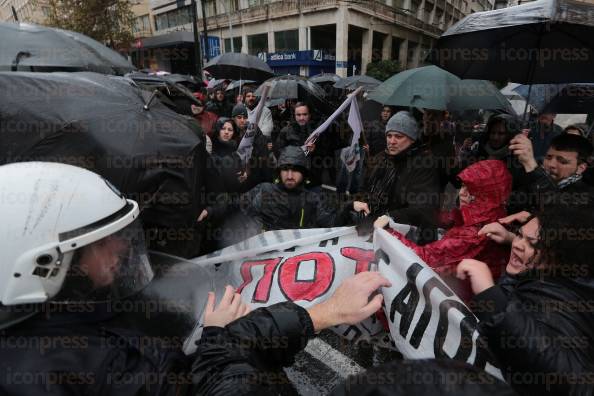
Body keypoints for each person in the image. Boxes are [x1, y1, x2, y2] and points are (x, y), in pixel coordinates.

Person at [0, 161, 397, 396]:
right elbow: (212, 384)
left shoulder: (78, 318)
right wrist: (219, 338)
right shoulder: (59, 370)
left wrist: (318, 315)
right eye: (102, 243)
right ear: (42, 265)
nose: (120, 251)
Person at [456, 207, 594, 395]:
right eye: (519, 235)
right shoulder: (541, 275)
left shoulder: (561, 303)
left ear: (560, 257)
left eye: (532, 244)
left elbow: (572, 383)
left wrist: (493, 300)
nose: (518, 245)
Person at [374, 160, 512, 301]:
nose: (462, 193)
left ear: (487, 196)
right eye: (463, 186)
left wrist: (387, 231)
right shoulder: (493, 216)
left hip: (459, 302)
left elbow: (423, 258)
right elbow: (447, 218)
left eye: (471, 190)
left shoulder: (477, 234)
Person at [198, 146, 368, 241]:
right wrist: (210, 210)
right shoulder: (263, 190)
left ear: (304, 173)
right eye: (285, 170)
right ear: (278, 172)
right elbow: (234, 204)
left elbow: (330, 223)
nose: (289, 175)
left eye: (295, 170)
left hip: (293, 258)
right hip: (262, 254)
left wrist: (349, 207)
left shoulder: (312, 199)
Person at [358, 111, 440, 238]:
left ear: (412, 139)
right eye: (389, 136)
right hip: (371, 229)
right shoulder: (381, 158)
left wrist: (391, 217)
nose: (392, 141)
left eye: (399, 136)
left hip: (404, 238)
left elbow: (424, 209)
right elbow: (365, 188)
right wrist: (360, 204)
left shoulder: (423, 165)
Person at [509, 132, 594, 211]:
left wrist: (530, 164)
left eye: (562, 161)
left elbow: (555, 208)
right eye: (548, 157)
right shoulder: (532, 179)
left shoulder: (585, 196)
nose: (551, 164)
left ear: (581, 168)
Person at [275, 102, 349, 189]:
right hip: (292, 177)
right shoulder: (286, 131)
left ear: (309, 115)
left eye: (304, 114)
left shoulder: (318, 132)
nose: (301, 118)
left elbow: (327, 151)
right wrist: (294, 154)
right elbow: (278, 151)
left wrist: (315, 150)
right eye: (298, 115)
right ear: (294, 115)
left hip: (313, 178)